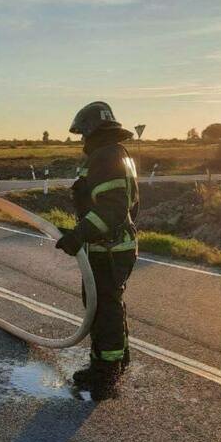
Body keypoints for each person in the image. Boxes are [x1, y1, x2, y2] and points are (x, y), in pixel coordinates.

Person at [56, 101, 139, 400]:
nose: (82, 142)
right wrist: (81, 233)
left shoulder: (106, 157)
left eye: (82, 135)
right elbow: (120, 206)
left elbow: (112, 209)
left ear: (92, 130)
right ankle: (113, 361)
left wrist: (80, 235)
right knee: (107, 305)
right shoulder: (116, 154)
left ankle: (107, 373)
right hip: (110, 246)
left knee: (103, 310)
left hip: (109, 249)